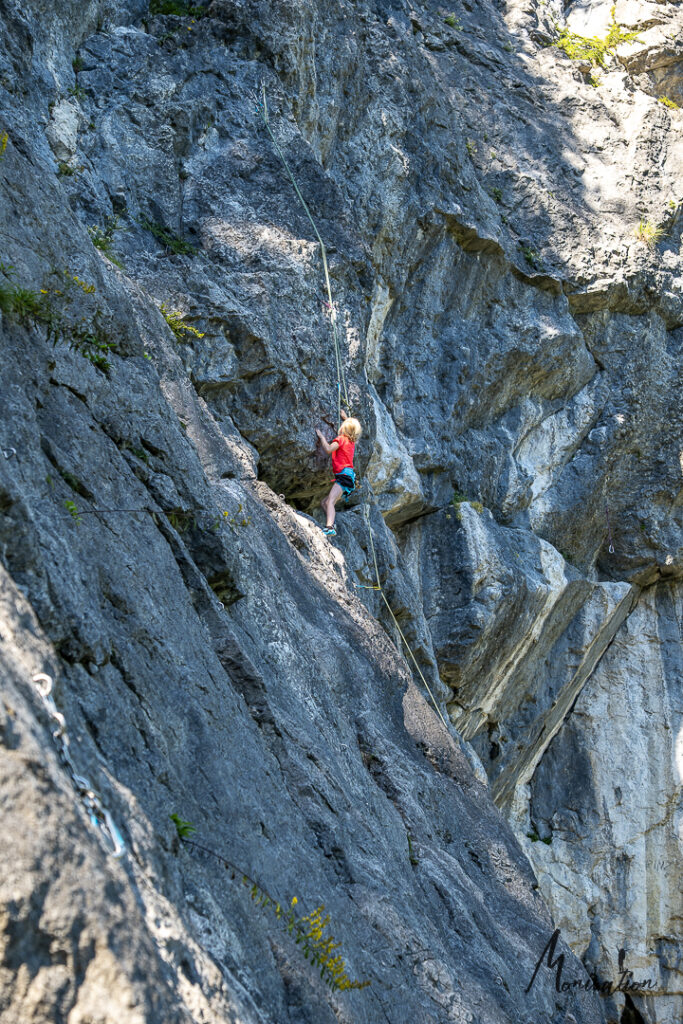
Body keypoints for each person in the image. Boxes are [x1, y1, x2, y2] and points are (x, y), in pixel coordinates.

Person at [315, 411, 362, 536]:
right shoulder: (351, 442)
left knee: (329, 501)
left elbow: (328, 449)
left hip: (343, 476)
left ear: (343, 428)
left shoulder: (341, 439)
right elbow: (352, 429)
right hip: (348, 477)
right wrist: (346, 418)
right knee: (324, 503)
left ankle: (329, 527)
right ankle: (331, 523)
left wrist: (321, 437)